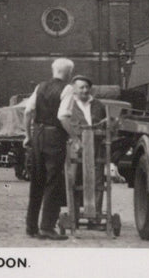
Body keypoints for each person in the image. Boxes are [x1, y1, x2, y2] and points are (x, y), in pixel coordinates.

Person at [23, 58, 73, 240]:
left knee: (36, 181)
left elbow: (28, 112)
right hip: (54, 138)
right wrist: (74, 135)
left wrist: (28, 135)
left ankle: (31, 226)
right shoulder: (67, 88)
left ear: (53, 71)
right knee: (53, 182)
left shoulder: (40, 87)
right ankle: (47, 227)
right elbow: (63, 116)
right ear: (69, 73)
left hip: (38, 135)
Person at [59, 76, 108, 214]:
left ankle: (95, 213)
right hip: (76, 147)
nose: (85, 90)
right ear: (74, 89)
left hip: (96, 147)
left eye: (87, 87)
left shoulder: (98, 105)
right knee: (74, 179)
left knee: (97, 181)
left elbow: (105, 125)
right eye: (81, 87)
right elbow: (63, 123)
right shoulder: (69, 105)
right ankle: (73, 214)